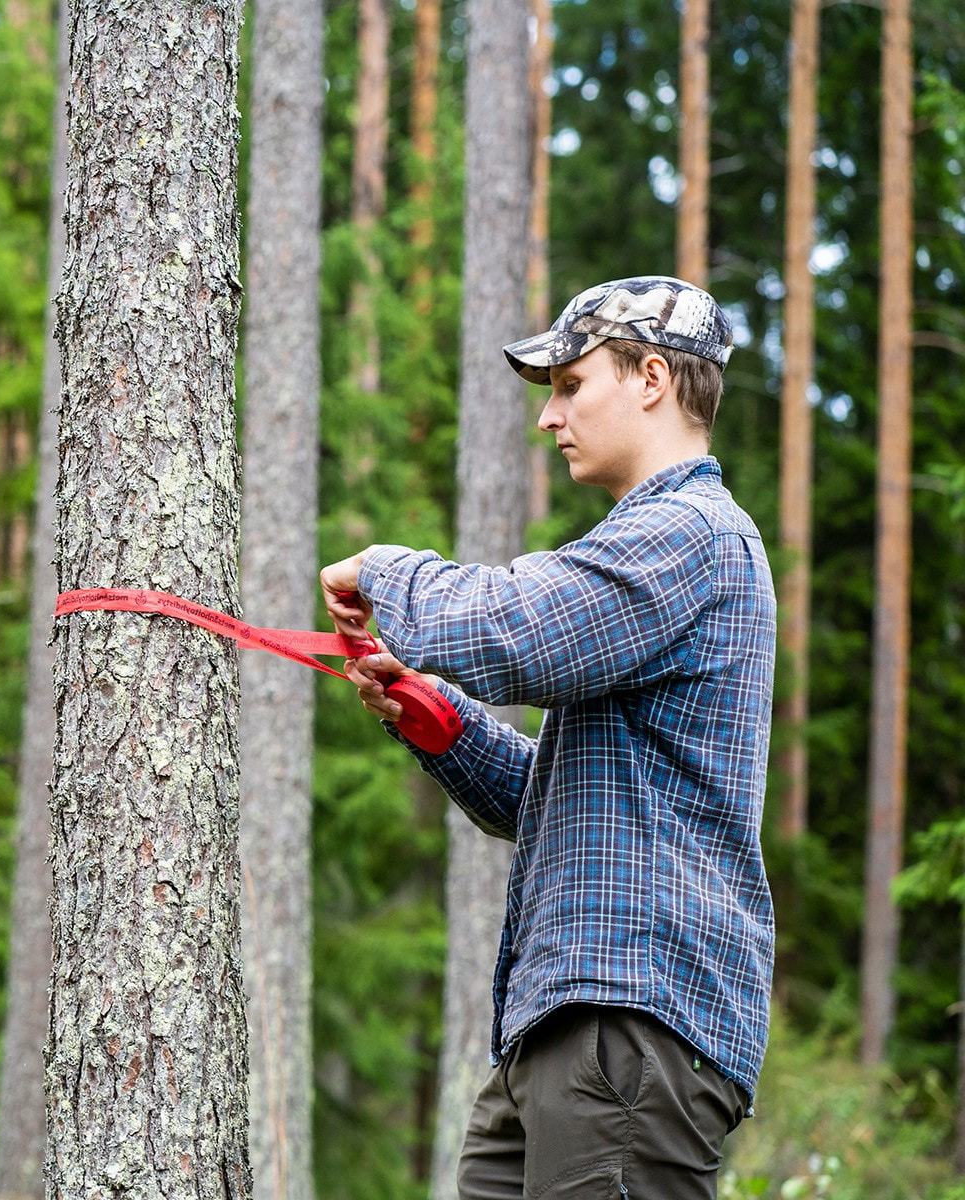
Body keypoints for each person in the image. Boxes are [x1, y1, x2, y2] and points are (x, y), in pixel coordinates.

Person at [319, 276, 777, 1200]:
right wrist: (438, 723)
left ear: (652, 377)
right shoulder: (656, 543)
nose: (550, 417)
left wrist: (388, 572)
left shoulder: (691, 533)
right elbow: (554, 805)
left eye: (571, 385)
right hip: (571, 1026)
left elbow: (517, 629)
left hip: (627, 1022)